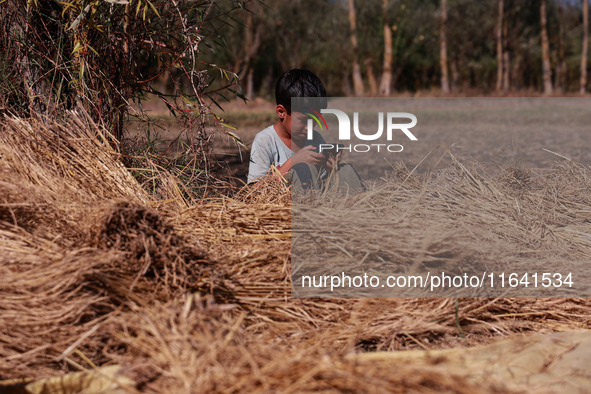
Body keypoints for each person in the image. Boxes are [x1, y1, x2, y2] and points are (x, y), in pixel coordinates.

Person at [247, 69, 364, 193]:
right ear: (281, 112)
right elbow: (253, 192)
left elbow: (321, 178)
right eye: (303, 120)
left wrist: (329, 166)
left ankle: (361, 207)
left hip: (319, 199)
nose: (310, 127)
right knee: (302, 169)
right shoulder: (265, 141)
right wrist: (292, 162)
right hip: (288, 206)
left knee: (345, 169)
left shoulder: (315, 138)